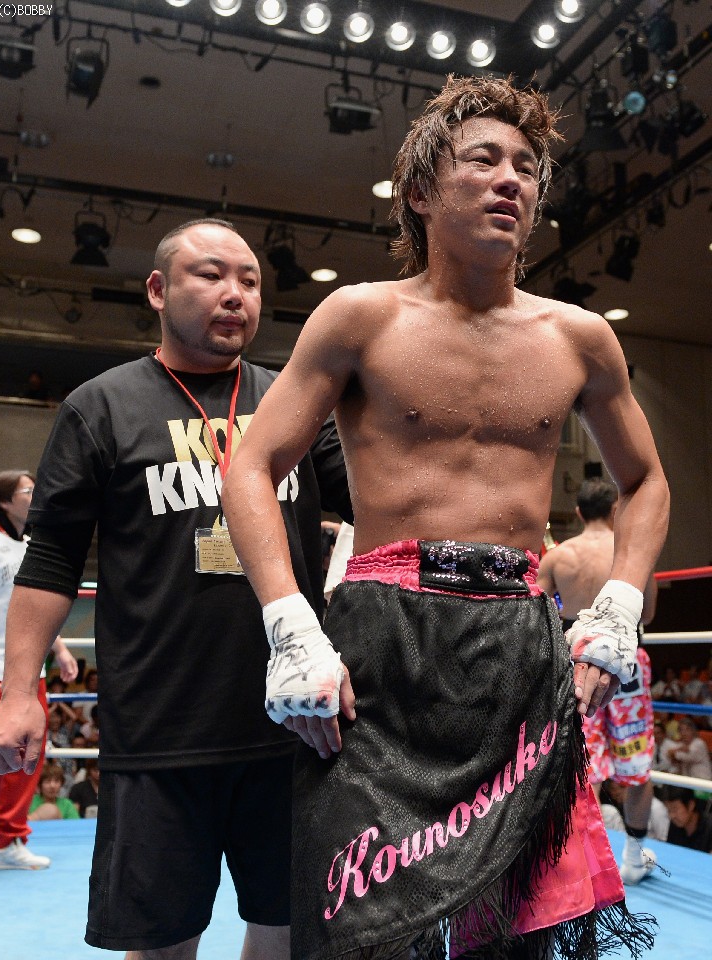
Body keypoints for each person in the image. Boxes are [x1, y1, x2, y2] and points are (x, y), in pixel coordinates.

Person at [224, 76, 669, 960]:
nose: (511, 180)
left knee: (512, 929)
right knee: (361, 926)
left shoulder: (579, 338)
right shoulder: (361, 316)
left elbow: (647, 479)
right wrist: (290, 626)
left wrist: (620, 604)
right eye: (484, 160)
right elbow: (250, 464)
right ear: (421, 191)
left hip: (517, 640)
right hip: (383, 634)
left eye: (527, 167)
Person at [0, 219, 352, 959]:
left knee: (291, 929)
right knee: (160, 942)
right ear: (158, 289)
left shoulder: (293, 402)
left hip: (292, 725)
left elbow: (379, 504)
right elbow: (52, 559)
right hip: (159, 728)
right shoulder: (101, 406)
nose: (235, 294)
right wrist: (20, 690)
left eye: (250, 281)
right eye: (211, 275)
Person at [537, 478, 660, 885]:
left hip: (578, 666)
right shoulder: (632, 556)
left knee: (583, 765)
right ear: (614, 510)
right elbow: (648, 612)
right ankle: (634, 857)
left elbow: (539, 612)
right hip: (627, 667)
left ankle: (584, 862)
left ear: (578, 513)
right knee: (636, 763)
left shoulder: (559, 557)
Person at [0, 469, 78, 871]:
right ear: (4, 502)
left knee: (26, 758)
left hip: (28, 670)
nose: (35, 494)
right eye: (27, 490)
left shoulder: (30, 545)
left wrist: (59, 649)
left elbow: (34, 607)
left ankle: (6, 840)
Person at [661, 786, 712, 853]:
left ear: (691, 805)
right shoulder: (675, 823)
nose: (672, 815)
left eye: (674, 809)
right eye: (669, 810)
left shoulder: (709, 828)